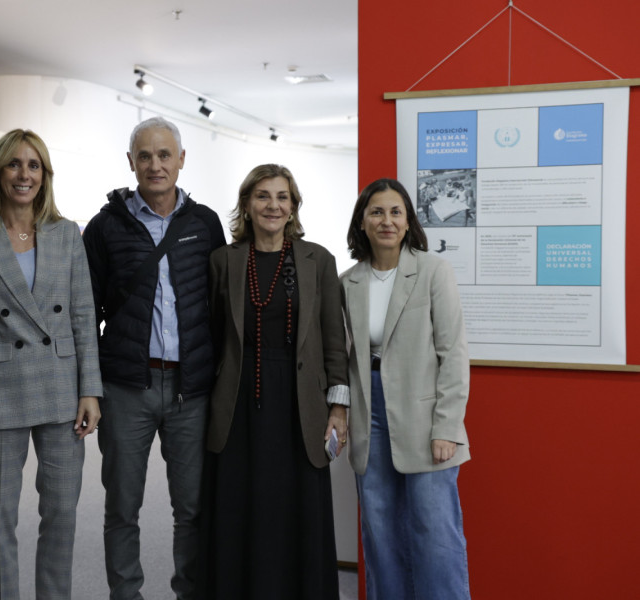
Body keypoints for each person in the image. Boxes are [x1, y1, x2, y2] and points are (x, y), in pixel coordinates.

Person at [0, 129, 102, 600]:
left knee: (61, 514)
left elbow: (82, 315)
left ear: (45, 175)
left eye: (34, 165)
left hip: (60, 389)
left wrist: (90, 389)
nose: (24, 174)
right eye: (14, 164)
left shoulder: (67, 234)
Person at [82, 116, 225, 600]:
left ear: (181, 160)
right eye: (145, 156)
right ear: (131, 162)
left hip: (191, 390)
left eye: (165, 155)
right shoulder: (104, 227)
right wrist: (89, 388)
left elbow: (219, 304)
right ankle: (126, 594)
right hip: (127, 388)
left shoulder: (204, 224)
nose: (155, 165)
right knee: (122, 506)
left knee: (192, 508)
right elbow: (86, 313)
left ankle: (190, 591)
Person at [203, 163, 350, 599]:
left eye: (282, 196)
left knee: (295, 508)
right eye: (263, 196)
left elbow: (333, 341)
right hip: (239, 402)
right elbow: (211, 336)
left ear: (293, 206)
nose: (273, 205)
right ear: (247, 205)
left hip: (299, 403)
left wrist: (338, 406)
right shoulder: (223, 260)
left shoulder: (317, 260)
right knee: (240, 506)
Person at [340, 178, 471, 599]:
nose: (387, 221)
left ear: (408, 219)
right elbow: (342, 357)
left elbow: (453, 352)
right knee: (380, 533)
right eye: (377, 212)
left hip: (424, 414)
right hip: (369, 413)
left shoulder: (433, 270)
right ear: (362, 221)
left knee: (435, 534)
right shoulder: (348, 281)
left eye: (396, 212)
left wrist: (447, 426)